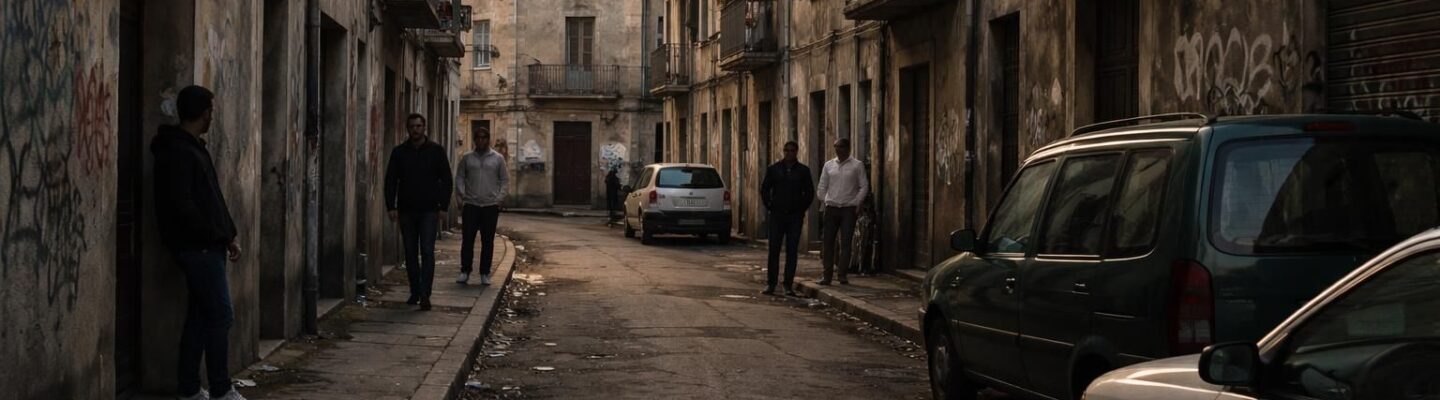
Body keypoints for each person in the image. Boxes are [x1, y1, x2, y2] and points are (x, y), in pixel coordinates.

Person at [151, 85, 246, 400]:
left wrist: (228, 233)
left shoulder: (192, 147)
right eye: (211, 110)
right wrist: (216, 235)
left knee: (200, 316)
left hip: (208, 244)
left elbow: (213, 197)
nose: (212, 116)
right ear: (203, 112)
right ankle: (220, 388)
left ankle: (190, 389)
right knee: (221, 315)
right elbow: (184, 205)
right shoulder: (178, 151)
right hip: (197, 247)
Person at [385, 114, 453, 311]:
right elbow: (390, 181)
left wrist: (444, 207)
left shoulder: (436, 151)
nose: (415, 129)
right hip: (406, 210)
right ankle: (415, 290)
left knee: (428, 252)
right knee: (410, 252)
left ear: (424, 128)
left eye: (419, 126)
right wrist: (391, 206)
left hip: (430, 211)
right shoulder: (399, 153)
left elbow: (446, 180)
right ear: (407, 129)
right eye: (412, 126)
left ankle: (425, 294)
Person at [455, 128, 509, 286]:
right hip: (471, 205)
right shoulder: (467, 158)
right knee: (467, 240)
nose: (481, 140)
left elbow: (505, 180)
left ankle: (485, 273)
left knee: (488, 241)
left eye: (484, 138)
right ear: (474, 140)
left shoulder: (498, 159)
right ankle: (465, 271)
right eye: (478, 138)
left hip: (490, 206)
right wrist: (462, 195)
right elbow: (459, 177)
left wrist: (499, 198)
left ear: (488, 140)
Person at [760, 141, 814, 296]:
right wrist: (770, 206)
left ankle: (788, 284)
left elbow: (809, 192)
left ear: (796, 152)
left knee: (792, 251)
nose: (789, 153)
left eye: (792, 150)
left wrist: (801, 209)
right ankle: (771, 284)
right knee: (774, 250)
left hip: (794, 216)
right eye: (786, 150)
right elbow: (765, 189)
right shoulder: (774, 169)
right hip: (777, 215)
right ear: (783, 151)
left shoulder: (803, 171)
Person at [816, 138, 868, 285]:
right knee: (828, 242)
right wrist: (824, 200)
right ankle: (827, 275)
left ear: (848, 148)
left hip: (848, 209)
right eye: (836, 147)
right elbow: (822, 185)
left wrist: (856, 202)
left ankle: (842, 274)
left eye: (841, 147)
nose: (838, 150)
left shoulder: (857, 165)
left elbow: (864, 186)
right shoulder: (828, 165)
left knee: (845, 242)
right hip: (831, 208)